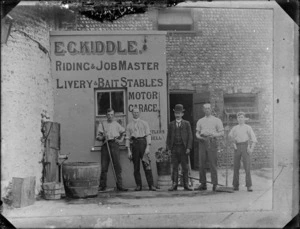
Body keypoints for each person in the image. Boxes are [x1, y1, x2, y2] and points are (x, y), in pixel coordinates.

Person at [96, 108, 128, 192]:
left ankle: (120, 186)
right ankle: (102, 186)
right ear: (106, 115)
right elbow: (98, 137)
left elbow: (124, 132)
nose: (110, 116)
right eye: (108, 115)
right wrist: (103, 137)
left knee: (117, 165)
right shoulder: (102, 124)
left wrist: (121, 140)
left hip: (114, 144)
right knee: (104, 166)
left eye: (111, 115)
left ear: (113, 115)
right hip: (105, 145)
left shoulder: (116, 124)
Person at [126, 107, 156, 191]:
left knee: (147, 165)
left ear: (140, 113)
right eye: (134, 112)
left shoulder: (144, 123)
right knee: (136, 167)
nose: (136, 114)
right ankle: (138, 185)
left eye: (137, 112)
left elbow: (148, 135)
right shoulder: (129, 125)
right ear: (132, 113)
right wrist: (128, 151)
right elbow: (127, 138)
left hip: (143, 143)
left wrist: (148, 147)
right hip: (134, 145)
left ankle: (151, 185)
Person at [195, 103, 224, 191]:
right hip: (202, 141)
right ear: (203, 110)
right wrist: (199, 137)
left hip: (212, 141)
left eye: (208, 108)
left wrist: (213, 135)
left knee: (212, 163)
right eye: (205, 108)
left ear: (211, 109)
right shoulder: (200, 121)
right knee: (201, 163)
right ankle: (203, 184)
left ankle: (214, 184)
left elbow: (221, 133)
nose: (207, 110)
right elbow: (197, 132)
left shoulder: (217, 120)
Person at [228, 111, 257, 192]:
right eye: (239, 117)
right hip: (237, 147)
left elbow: (254, 139)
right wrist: (233, 143)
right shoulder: (234, 128)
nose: (240, 119)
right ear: (237, 119)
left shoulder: (248, 127)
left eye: (242, 117)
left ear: (244, 118)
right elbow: (230, 136)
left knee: (247, 167)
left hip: (245, 147)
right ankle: (235, 185)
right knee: (236, 167)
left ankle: (249, 185)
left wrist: (251, 149)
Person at [166, 104, 193, 191]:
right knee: (174, 167)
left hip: (183, 148)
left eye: (179, 113)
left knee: (185, 167)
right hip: (174, 148)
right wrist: (169, 148)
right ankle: (174, 185)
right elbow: (168, 137)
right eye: (176, 113)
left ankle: (186, 184)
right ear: (174, 114)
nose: (178, 115)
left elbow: (190, 136)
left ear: (182, 114)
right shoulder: (171, 124)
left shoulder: (186, 124)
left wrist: (188, 147)